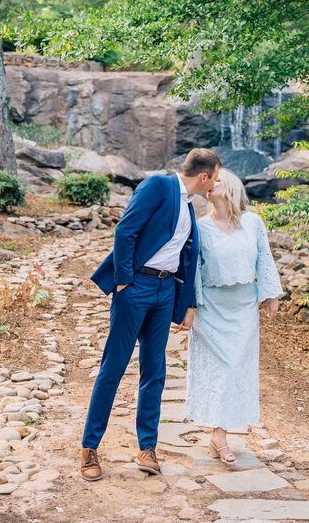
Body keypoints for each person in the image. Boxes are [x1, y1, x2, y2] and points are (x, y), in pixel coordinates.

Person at [79, 148, 222, 481]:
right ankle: (89, 449)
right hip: (136, 287)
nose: (215, 183)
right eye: (214, 177)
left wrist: (186, 304)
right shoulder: (157, 186)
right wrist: (124, 282)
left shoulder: (189, 206)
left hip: (165, 291)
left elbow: (186, 258)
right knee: (113, 368)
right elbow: (125, 231)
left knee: (155, 372)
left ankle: (147, 448)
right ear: (204, 177)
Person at [182, 168, 282, 464]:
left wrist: (270, 295)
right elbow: (193, 269)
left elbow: (265, 258)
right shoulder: (199, 226)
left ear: (231, 189)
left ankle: (219, 433)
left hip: (243, 308)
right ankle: (219, 435)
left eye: (217, 181)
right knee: (219, 370)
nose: (210, 185)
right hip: (211, 308)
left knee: (236, 370)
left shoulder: (253, 223)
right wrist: (190, 307)